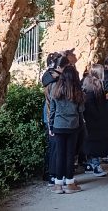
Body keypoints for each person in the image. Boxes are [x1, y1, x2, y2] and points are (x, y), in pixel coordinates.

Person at [48, 57, 85, 194]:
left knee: (60, 155)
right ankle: (70, 183)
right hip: (73, 126)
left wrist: (51, 126)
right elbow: (81, 110)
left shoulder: (55, 91)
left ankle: (58, 185)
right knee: (70, 155)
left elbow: (52, 111)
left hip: (58, 125)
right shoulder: (78, 93)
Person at [81, 65, 108, 177]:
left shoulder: (87, 83)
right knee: (96, 141)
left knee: (91, 141)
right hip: (95, 118)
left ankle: (89, 164)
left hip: (91, 117)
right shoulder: (94, 86)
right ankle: (96, 164)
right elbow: (92, 103)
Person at [41, 51, 63, 184]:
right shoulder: (50, 76)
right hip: (50, 114)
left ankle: (52, 172)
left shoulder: (52, 76)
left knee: (54, 145)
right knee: (53, 145)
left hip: (52, 114)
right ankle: (50, 173)